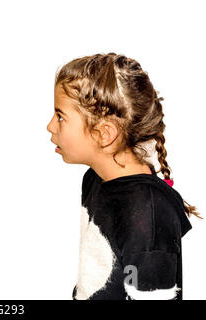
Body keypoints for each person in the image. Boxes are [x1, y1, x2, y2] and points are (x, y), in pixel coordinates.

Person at [47, 53, 201, 300]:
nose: (51, 126)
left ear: (104, 133)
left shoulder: (147, 214)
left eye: (60, 116)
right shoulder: (95, 179)